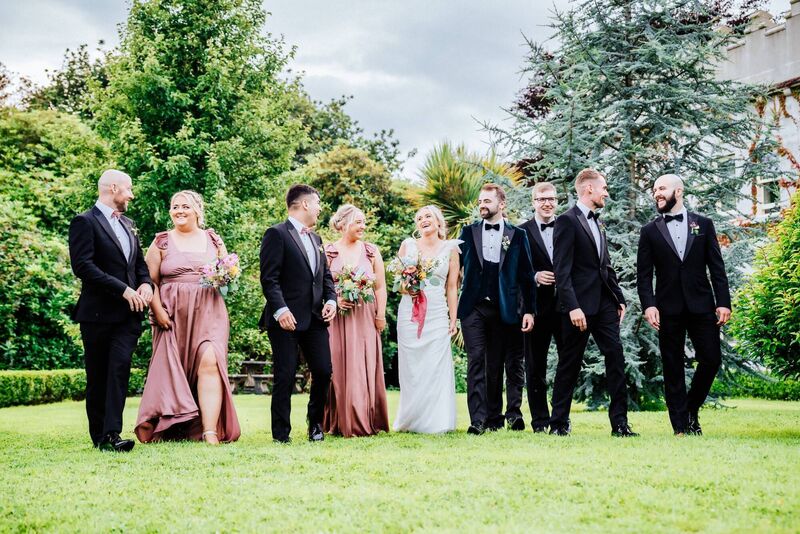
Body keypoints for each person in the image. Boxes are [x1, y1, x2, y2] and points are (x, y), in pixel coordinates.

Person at [135, 190, 241, 444]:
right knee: (174, 369)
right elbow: (150, 281)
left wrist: (226, 276)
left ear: (197, 211)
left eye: (185, 206)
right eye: (175, 206)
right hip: (171, 314)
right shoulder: (161, 241)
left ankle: (210, 431)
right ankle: (173, 425)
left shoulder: (213, 240)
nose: (179, 211)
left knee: (210, 362)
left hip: (209, 311)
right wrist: (157, 311)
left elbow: (227, 272)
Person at [637, 174, 731, 435]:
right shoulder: (649, 231)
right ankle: (680, 426)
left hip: (702, 304)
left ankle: (690, 409)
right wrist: (649, 305)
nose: (657, 193)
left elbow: (716, 266)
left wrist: (723, 302)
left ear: (678, 191)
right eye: (655, 189)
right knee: (672, 365)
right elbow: (644, 275)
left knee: (711, 359)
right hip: (668, 308)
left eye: (662, 188)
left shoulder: (703, 224)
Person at [68, 169, 153, 452]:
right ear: (114, 188)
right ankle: (100, 436)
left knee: (119, 370)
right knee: (99, 374)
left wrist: (146, 286)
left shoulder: (129, 224)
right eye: (129, 189)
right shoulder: (84, 222)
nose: (132, 195)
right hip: (97, 315)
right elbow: (83, 267)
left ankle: (112, 434)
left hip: (129, 316)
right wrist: (123, 289)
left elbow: (139, 265)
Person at [549, 168, 637, 437]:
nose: (606, 193)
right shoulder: (566, 221)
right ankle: (559, 424)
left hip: (605, 305)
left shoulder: (598, 223)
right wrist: (573, 306)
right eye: (603, 188)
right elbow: (561, 270)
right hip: (578, 308)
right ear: (589, 189)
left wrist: (619, 299)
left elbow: (605, 266)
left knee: (615, 358)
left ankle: (620, 425)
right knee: (569, 364)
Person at [259, 184, 337, 443]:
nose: (319, 209)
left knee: (324, 371)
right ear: (304, 204)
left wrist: (331, 301)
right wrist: (280, 310)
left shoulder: (316, 239)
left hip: (315, 318)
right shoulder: (276, 234)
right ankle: (281, 433)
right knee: (285, 374)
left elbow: (325, 276)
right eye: (317, 203)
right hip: (285, 319)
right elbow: (269, 279)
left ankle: (315, 424)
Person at [457, 184, 536, 435]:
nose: (482, 204)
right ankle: (477, 421)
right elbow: (451, 271)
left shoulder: (517, 235)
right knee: (476, 361)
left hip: (505, 307)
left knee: (498, 364)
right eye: (480, 200)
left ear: (501, 204)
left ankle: (497, 416)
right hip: (473, 307)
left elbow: (526, 275)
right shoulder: (467, 232)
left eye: (487, 200)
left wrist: (529, 310)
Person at [323, 204, 389, 437]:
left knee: (363, 365)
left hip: (365, 317)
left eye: (363, 222)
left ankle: (364, 419)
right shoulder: (328, 251)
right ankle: (338, 421)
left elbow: (380, 287)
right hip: (337, 319)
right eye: (358, 222)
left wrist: (380, 315)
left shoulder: (371, 251)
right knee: (336, 367)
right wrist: (335, 300)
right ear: (343, 224)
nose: (363, 226)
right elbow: (321, 286)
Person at [394, 205, 460, 434]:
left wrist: (453, 319)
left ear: (438, 221)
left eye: (427, 216)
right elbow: (398, 284)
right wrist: (408, 287)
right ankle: (411, 419)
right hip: (409, 311)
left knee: (435, 364)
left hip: (437, 312)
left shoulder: (451, 249)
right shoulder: (408, 245)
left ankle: (437, 421)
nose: (423, 220)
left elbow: (452, 287)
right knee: (412, 365)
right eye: (419, 218)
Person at [519, 182, 561, 433]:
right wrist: (534, 276)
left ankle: (560, 418)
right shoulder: (521, 232)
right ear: (533, 202)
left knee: (567, 364)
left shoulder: (568, 227)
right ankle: (540, 421)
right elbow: (514, 272)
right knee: (535, 367)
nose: (547, 203)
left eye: (551, 199)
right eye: (541, 199)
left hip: (567, 307)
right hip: (535, 308)